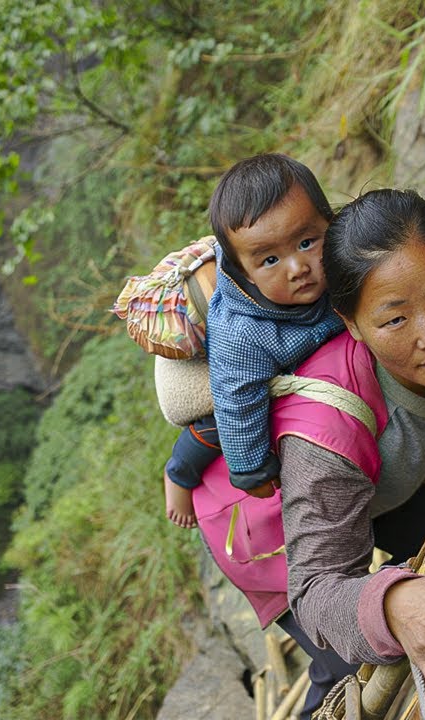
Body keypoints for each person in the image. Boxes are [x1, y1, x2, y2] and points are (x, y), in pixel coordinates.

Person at [193, 188, 425, 718]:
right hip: (272, 531)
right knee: (343, 666)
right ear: (352, 324)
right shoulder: (328, 424)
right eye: (395, 320)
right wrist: (392, 604)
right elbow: (316, 588)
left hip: (375, 481)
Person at [161, 153, 345, 528]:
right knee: (217, 421)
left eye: (308, 241)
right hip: (226, 383)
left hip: (310, 349)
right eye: (270, 260)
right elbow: (237, 401)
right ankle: (178, 474)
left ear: (330, 221)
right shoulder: (241, 331)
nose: (297, 268)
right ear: (244, 272)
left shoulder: (347, 246)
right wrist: (251, 468)